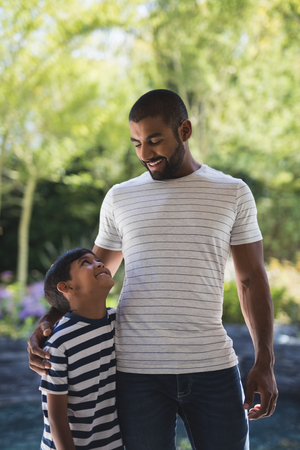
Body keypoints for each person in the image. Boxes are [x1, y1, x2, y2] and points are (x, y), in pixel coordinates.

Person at [28, 89, 278, 450]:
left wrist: (265, 360)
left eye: (155, 140)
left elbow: (251, 279)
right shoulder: (120, 197)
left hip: (213, 366)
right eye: (136, 143)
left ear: (185, 130)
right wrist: (48, 321)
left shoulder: (232, 192)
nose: (145, 154)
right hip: (136, 374)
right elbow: (90, 277)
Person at [39, 247, 123, 450]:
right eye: (86, 263)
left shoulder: (117, 321)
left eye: (96, 260)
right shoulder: (60, 342)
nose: (100, 263)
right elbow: (56, 417)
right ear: (66, 287)